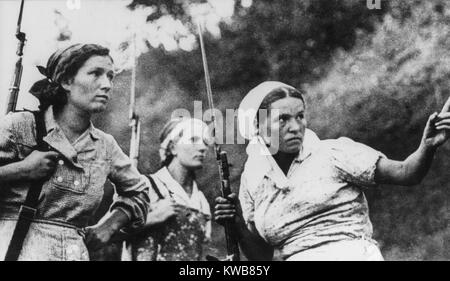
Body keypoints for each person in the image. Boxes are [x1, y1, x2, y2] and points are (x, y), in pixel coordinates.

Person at [214, 81, 450, 261]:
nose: (295, 127)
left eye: (300, 116)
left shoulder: (333, 153)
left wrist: (427, 146)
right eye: (282, 119)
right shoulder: (253, 179)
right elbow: (262, 257)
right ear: (258, 126)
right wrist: (236, 222)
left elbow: (407, 172)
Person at [0, 43, 150, 261]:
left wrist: (108, 226)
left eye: (110, 76)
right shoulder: (20, 127)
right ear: (66, 81)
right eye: (95, 74)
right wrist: (22, 170)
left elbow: (139, 192)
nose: (106, 84)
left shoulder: (104, 145)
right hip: (14, 249)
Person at [126, 117, 212, 261]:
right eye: (193, 140)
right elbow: (112, 231)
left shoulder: (201, 202)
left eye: (205, 142)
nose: (202, 147)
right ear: (173, 147)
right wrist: (154, 217)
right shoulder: (147, 186)